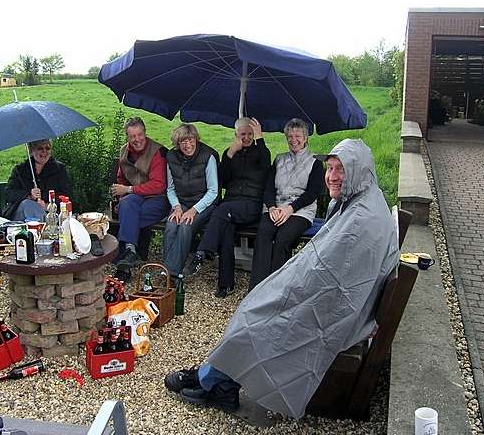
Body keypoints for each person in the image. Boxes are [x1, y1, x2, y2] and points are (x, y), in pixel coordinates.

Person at [165, 139, 400, 419]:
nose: (332, 176)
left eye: (341, 170)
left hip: (333, 316)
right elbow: (325, 267)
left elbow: (328, 277)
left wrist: (285, 288)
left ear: (360, 171)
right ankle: (212, 374)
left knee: (254, 319)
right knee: (255, 307)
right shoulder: (362, 200)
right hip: (336, 305)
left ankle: (215, 383)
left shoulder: (361, 220)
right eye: (330, 167)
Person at [183, 117, 271, 298]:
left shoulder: (261, 152)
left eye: (249, 134)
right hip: (231, 206)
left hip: (251, 205)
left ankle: (202, 253)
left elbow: (265, 164)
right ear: (236, 134)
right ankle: (225, 284)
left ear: (254, 134)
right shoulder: (230, 153)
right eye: (242, 134)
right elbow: (222, 180)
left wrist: (261, 139)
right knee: (225, 231)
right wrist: (230, 154)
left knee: (221, 212)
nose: (246, 137)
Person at [248, 118, 324, 291]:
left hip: (300, 211)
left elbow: (312, 194)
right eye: (290, 136)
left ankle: (276, 289)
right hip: (275, 208)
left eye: (298, 135)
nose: (293, 139)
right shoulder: (279, 159)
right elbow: (268, 189)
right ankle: (257, 289)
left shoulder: (315, 163)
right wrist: (272, 207)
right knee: (264, 234)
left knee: (283, 238)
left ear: (305, 138)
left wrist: (290, 209)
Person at [163, 124, 219, 278]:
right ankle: (169, 270)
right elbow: (170, 188)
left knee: (186, 225)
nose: (188, 145)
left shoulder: (208, 157)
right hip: (181, 203)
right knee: (171, 224)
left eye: (191, 140)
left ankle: (170, 274)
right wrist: (176, 207)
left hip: (204, 204)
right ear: (177, 144)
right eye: (183, 142)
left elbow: (213, 191)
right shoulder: (171, 158)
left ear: (196, 139)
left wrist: (194, 210)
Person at [111, 117, 169, 268]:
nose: (137, 139)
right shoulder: (124, 150)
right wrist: (121, 196)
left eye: (140, 135)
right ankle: (131, 251)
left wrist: (129, 190)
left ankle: (123, 253)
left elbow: (159, 185)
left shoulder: (157, 152)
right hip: (136, 197)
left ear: (145, 133)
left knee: (128, 213)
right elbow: (121, 178)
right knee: (127, 203)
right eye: (132, 136)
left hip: (158, 198)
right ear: (127, 137)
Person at [2, 139, 72, 221]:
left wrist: (47, 205)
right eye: (40, 148)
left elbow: (66, 195)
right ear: (32, 151)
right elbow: (9, 193)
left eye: (47, 148)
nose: (44, 151)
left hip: (50, 214)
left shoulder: (59, 169)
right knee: (27, 204)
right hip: (22, 217)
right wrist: (29, 195)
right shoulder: (20, 170)